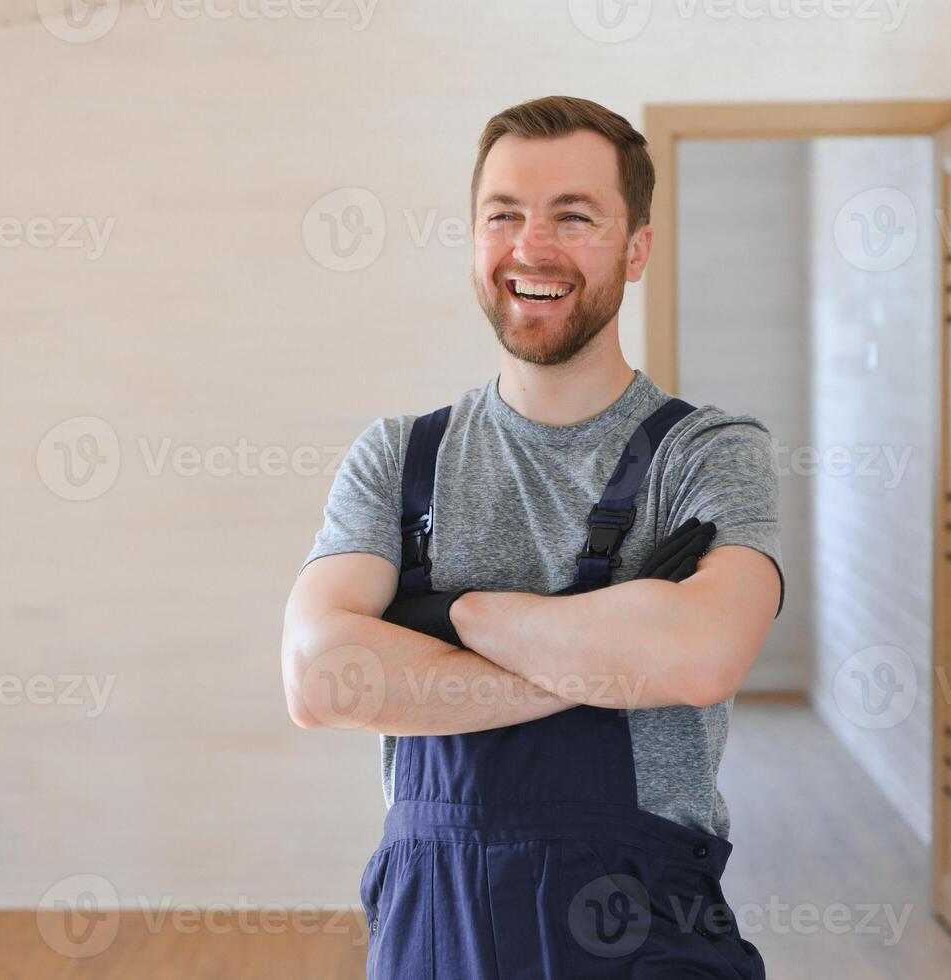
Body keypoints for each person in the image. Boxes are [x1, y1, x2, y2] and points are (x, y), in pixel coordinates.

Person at [281, 95, 783, 978]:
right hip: (433, 935)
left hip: (644, 932)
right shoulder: (398, 457)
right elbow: (324, 680)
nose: (531, 246)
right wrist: (604, 655)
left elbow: (700, 657)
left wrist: (446, 614)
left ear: (636, 249)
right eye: (502, 215)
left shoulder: (705, 452)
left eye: (573, 216)